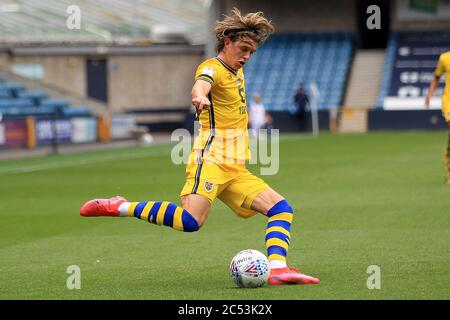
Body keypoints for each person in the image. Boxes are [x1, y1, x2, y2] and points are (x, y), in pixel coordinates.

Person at [80, 8, 319, 285]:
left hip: (234, 167)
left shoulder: (236, 70)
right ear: (227, 42)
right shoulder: (212, 67)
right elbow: (200, 85)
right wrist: (199, 97)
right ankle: (121, 206)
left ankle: (277, 268)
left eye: (251, 52)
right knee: (191, 222)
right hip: (211, 159)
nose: (247, 57)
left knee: (281, 208)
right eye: (243, 49)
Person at [425, 50, 450, 184]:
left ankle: (448, 157)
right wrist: (429, 95)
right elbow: (436, 77)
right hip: (449, 101)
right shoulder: (444, 58)